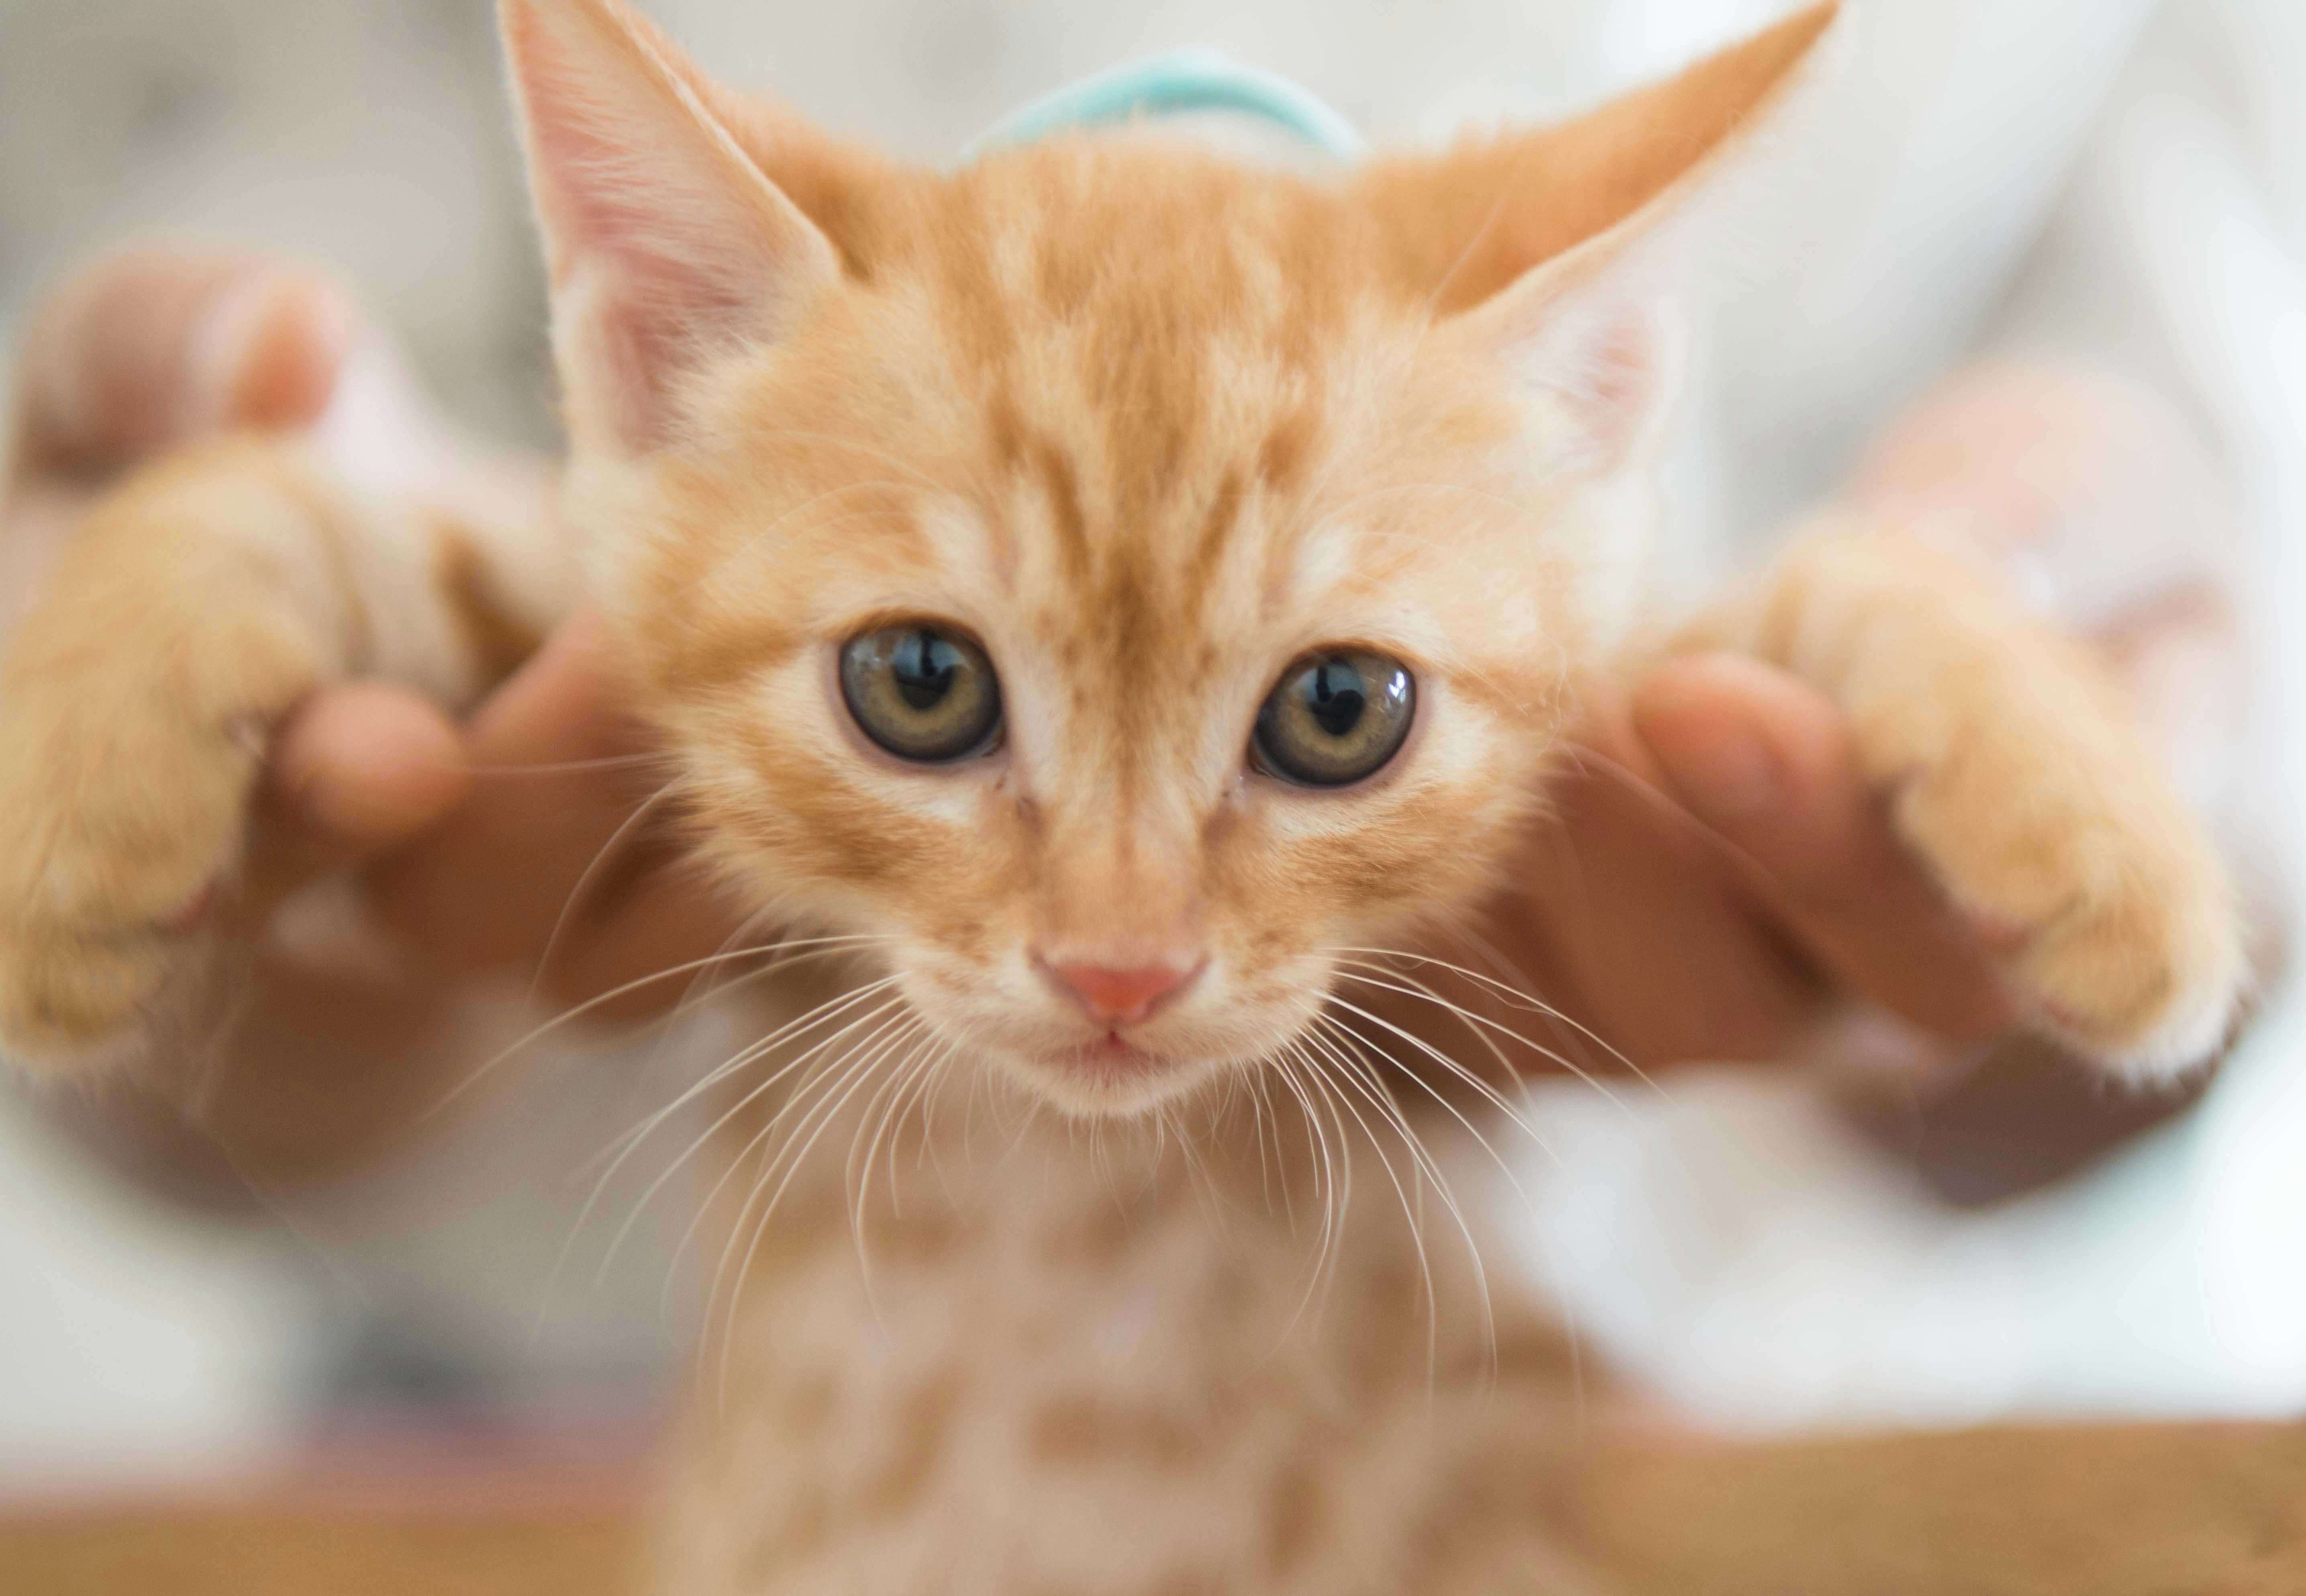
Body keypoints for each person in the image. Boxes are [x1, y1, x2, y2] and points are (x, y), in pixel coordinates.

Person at [1, 0, 2298, 1439]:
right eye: (929, 687)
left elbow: (1762, 654)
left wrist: (2007, 648)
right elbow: (481, 567)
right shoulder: (753, 431)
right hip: (570, 1457)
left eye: (1323, 718)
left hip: (1593, 1442)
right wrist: (233, 566)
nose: (1119, 949)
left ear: (1604, 386)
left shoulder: (1509, 487)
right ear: (652, 339)